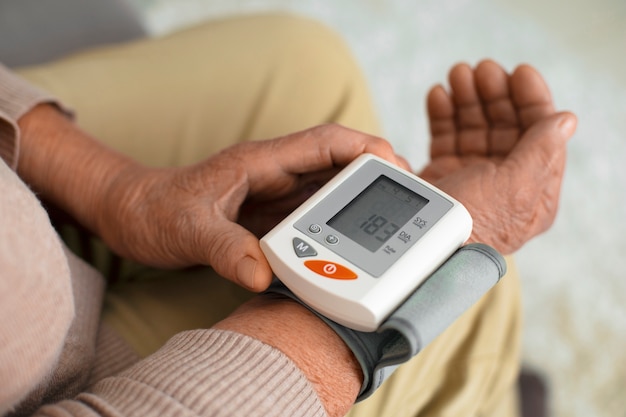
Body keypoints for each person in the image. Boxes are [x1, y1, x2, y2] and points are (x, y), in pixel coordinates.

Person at [0, 13, 576, 417]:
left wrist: (118, 191)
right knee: (473, 293)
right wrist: (347, 328)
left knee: (309, 62)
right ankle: (484, 392)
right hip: (70, 377)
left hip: (23, 230)